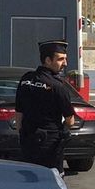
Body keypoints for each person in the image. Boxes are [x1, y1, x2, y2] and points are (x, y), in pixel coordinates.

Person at [15, 40, 77, 169]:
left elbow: (19, 111)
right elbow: (70, 120)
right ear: (48, 60)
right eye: (60, 59)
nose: (65, 63)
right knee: (52, 179)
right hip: (50, 142)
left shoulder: (26, 79)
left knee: (29, 176)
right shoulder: (58, 86)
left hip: (27, 139)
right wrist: (63, 133)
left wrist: (21, 133)